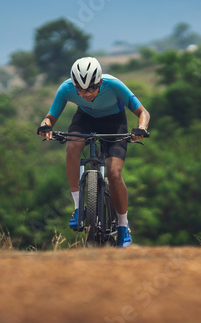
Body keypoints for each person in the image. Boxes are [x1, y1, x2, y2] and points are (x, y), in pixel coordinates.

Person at [36, 57, 150, 247]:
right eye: (80, 89)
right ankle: (77, 207)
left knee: (114, 173)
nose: (85, 94)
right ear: (74, 85)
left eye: (91, 88)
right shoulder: (66, 88)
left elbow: (143, 113)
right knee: (72, 145)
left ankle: (123, 226)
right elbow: (50, 117)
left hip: (114, 121)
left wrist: (141, 128)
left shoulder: (113, 85)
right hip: (85, 119)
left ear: (100, 82)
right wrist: (45, 126)